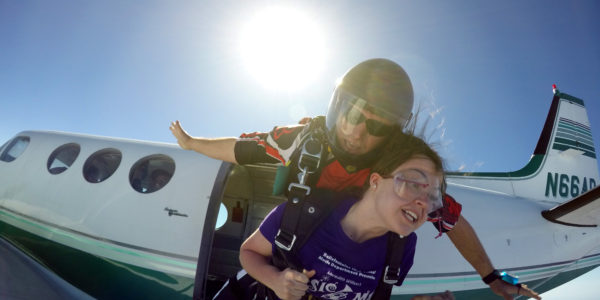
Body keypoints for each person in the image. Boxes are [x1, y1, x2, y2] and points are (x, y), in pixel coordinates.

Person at [171, 58, 540, 300]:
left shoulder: (401, 174)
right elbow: (242, 148)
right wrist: (191, 143)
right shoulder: (304, 140)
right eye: (350, 110)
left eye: (375, 122)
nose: (353, 129)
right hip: (292, 244)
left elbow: (451, 219)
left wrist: (491, 276)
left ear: (393, 132)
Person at [219, 132, 452, 299]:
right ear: (376, 181)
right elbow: (248, 253)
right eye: (413, 182)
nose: (423, 201)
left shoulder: (402, 249)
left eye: (433, 194)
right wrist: (275, 281)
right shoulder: (301, 214)